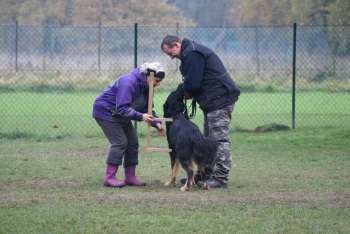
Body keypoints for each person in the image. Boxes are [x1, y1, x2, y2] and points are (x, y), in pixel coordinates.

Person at [161, 35, 240, 188]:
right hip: (212, 101)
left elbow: (192, 83)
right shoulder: (189, 52)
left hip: (219, 99)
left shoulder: (192, 53)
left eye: (170, 53)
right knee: (206, 140)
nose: (171, 57)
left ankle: (220, 179)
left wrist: (182, 89)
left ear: (176, 44)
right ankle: (204, 175)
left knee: (219, 140)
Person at [92, 62, 166, 187]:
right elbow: (121, 107)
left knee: (132, 142)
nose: (158, 84)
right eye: (157, 81)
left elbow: (147, 110)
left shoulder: (147, 87)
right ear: (149, 76)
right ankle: (109, 178)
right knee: (120, 142)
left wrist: (156, 122)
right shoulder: (129, 82)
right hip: (106, 113)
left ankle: (130, 177)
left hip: (121, 115)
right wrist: (140, 116)